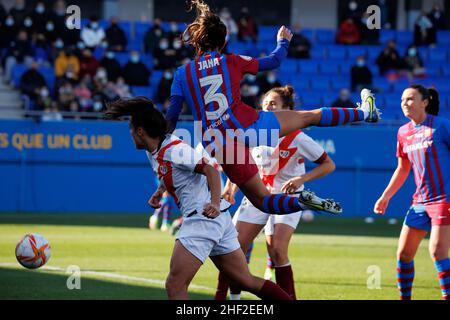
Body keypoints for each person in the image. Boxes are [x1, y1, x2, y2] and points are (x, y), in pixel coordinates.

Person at [166, 0, 379, 217]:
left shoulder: (182, 74)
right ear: (222, 43)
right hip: (250, 126)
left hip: (220, 143)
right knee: (309, 117)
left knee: (262, 201)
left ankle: (301, 203)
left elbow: (172, 117)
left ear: (197, 42)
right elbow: (274, 61)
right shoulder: (231, 61)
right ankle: (363, 112)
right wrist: (283, 42)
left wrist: (162, 145)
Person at [104, 96, 293, 300]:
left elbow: (210, 170)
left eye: (132, 131)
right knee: (245, 280)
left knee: (175, 285)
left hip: (202, 218)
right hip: (217, 219)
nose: (131, 136)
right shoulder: (155, 150)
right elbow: (171, 172)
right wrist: (160, 192)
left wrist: (213, 202)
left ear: (140, 132)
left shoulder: (174, 150)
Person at [215, 85, 337, 300]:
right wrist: (230, 188)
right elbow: (243, 166)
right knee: (233, 250)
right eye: (265, 103)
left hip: (289, 198)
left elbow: (328, 164)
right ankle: (230, 300)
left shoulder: (298, 137)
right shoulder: (252, 133)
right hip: (258, 195)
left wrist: (302, 179)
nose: (268, 107)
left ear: (287, 109)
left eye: (274, 104)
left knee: (277, 251)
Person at [373, 85, 449, 300]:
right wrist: (385, 195)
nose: (404, 103)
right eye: (402, 100)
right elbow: (403, 168)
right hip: (420, 201)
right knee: (404, 254)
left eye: (410, 99)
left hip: (444, 200)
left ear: (424, 102)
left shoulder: (441, 126)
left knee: (437, 252)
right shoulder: (403, 132)